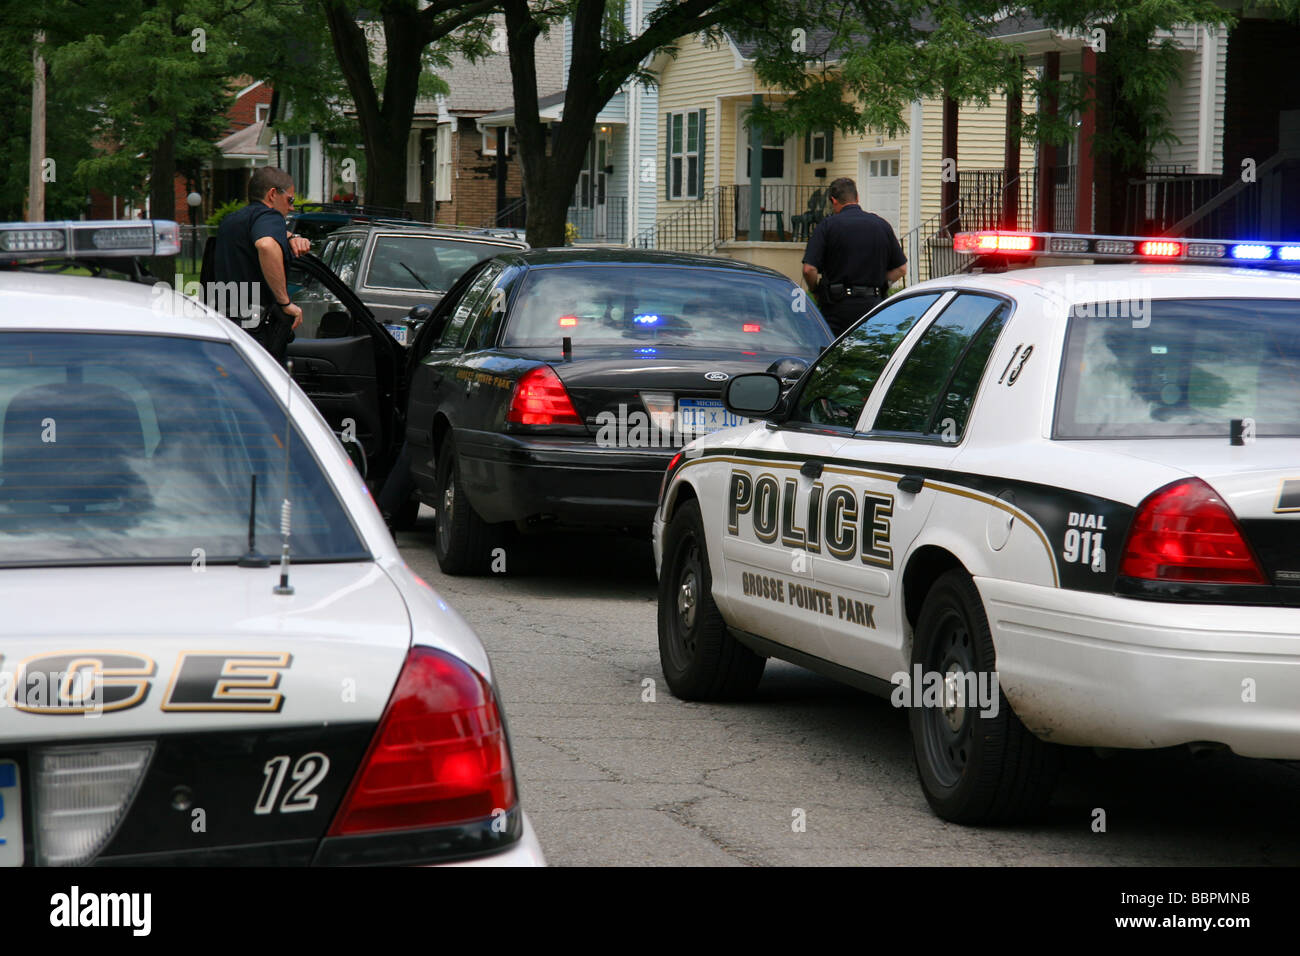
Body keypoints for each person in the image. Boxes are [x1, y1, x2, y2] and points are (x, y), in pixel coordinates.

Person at [209, 167, 311, 361]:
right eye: (290, 200)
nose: (291, 207)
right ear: (273, 194)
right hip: (257, 328)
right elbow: (266, 245)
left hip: (228, 324)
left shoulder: (231, 221)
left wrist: (291, 237)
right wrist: (285, 303)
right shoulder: (270, 216)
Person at [801, 177, 907, 337]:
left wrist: (815, 290)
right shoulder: (881, 225)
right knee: (871, 355)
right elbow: (901, 268)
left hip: (837, 310)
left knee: (832, 356)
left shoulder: (827, 226)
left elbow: (809, 269)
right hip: (872, 308)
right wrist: (881, 285)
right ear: (857, 198)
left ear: (833, 200)